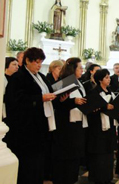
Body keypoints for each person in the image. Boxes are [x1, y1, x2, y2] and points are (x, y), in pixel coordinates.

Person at [4, 47, 58, 184]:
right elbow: (15, 100)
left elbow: (48, 92)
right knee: (28, 164)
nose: (39, 65)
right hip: (26, 128)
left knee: (38, 162)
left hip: (41, 126)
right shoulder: (19, 77)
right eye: (37, 62)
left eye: (41, 62)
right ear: (27, 60)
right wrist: (40, 99)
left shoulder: (41, 77)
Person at [51, 57, 87, 184]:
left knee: (75, 156)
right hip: (65, 126)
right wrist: (73, 101)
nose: (82, 70)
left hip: (78, 123)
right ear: (73, 69)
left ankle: (72, 179)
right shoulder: (62, 82)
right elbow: (57, 104)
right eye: (80, 68)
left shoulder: (79, 82)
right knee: (65, 157)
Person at [86, 69, 118, 184]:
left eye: (109, 77)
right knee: (99, 153)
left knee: (109, 152)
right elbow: (90, 109)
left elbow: (115, 105)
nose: (109, 79)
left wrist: (118, 111)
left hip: (110, 125)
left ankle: (107, 176)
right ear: (100, 80)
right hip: (98, 127)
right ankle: (97, 177)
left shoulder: (110, 91)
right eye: (106, 77)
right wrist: (105, 107)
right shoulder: (93, 92)